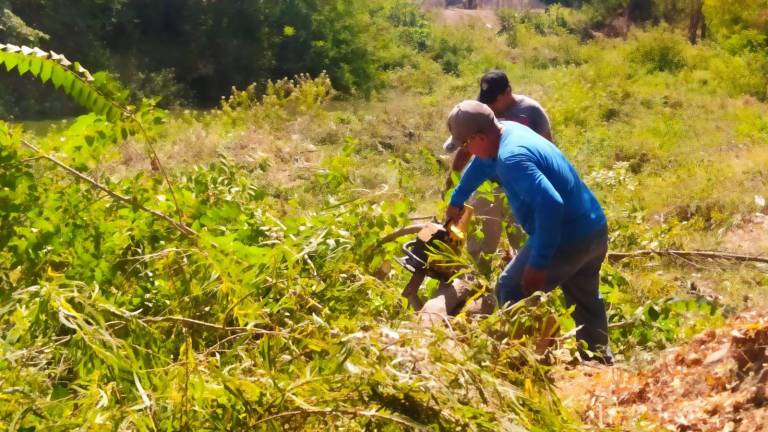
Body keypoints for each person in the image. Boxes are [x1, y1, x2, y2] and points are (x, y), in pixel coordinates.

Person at [443, 100, 612, 362]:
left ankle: (520, 363)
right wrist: (456, 200)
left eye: (465, 144)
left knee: (511, 287)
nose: (466, 151)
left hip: (567, 236)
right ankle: (599, 363)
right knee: (585, 298)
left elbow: (551, 204)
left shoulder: (512, 158)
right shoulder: (504, 132)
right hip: (593, 229)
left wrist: (538, 263)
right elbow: (481, 166)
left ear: (479, 137)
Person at [444, 70, 552, 261]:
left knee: (523, 240)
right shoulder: (483, 114)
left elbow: (547, 150)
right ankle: (478, 278)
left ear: (508, 92)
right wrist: (454, 188)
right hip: (489, 186)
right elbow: (476, 159)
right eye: (486, 100)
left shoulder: (531, 112)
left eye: (494, 100)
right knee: (481, 245)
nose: (490, 105)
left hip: (522, 187)